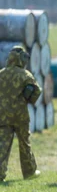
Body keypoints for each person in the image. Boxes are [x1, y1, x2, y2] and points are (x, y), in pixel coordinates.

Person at [0, 46, 42, 182]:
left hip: (3, 116)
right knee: (24, 143)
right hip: (21, 116)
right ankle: (29, 172)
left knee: (3, 144)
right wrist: (28, 99)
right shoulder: (25, 74)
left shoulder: (1, 74)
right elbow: (37, 91)